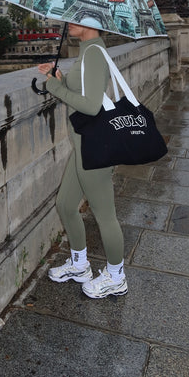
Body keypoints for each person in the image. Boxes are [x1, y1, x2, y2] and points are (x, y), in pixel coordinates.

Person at [37, 23, 127, 299]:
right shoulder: (87, 51)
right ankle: (79, 265)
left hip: (94, 148)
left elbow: (91, 106)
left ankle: (116, 276)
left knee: (105, 216)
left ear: (90, 24)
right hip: (83, 145)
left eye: (74, 18)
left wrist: (54, 87)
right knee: (65, 205)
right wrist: (62, 79)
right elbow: (83, 95)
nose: (67, 23)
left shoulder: (95, 53)